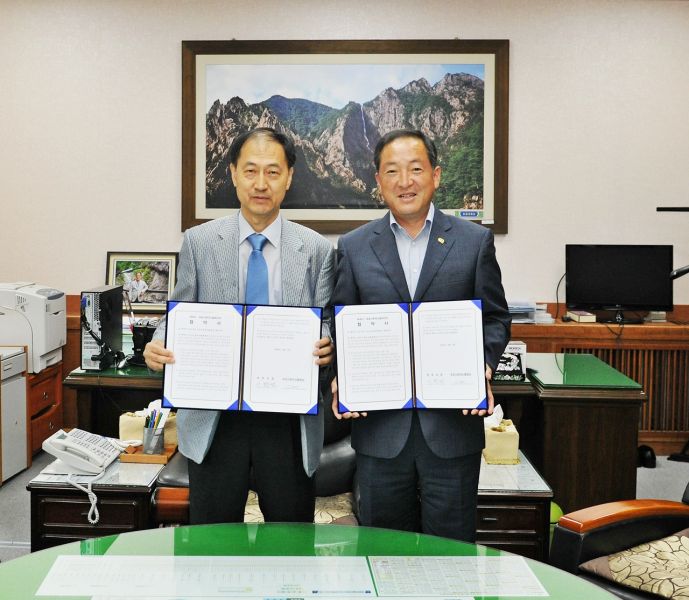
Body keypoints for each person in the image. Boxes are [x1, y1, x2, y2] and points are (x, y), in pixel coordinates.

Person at [144, 127, 335, 524]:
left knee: (290, 539)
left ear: (289, 177)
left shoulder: (317, 249)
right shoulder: (199, 242)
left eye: (272, 172)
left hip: (288, 417)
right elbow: (180, 310)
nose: (260, 183)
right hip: (216, 416)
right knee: (213, 541)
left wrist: (327, 343)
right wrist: (159, 342)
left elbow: (326, 320)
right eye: (250, 171)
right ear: (232, 173)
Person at [331, 129, 510, 542]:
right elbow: (339, 321)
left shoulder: (474, 242)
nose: (405, 181)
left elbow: (496, 318)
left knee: (451, 551)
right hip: (380, 431)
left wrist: (482, 366)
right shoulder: (354, 246)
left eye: (415, 169)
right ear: (378, 181)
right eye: (392, 171)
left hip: (451, 430)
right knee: (382, 550)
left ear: (436, 175)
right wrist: (342, 373)